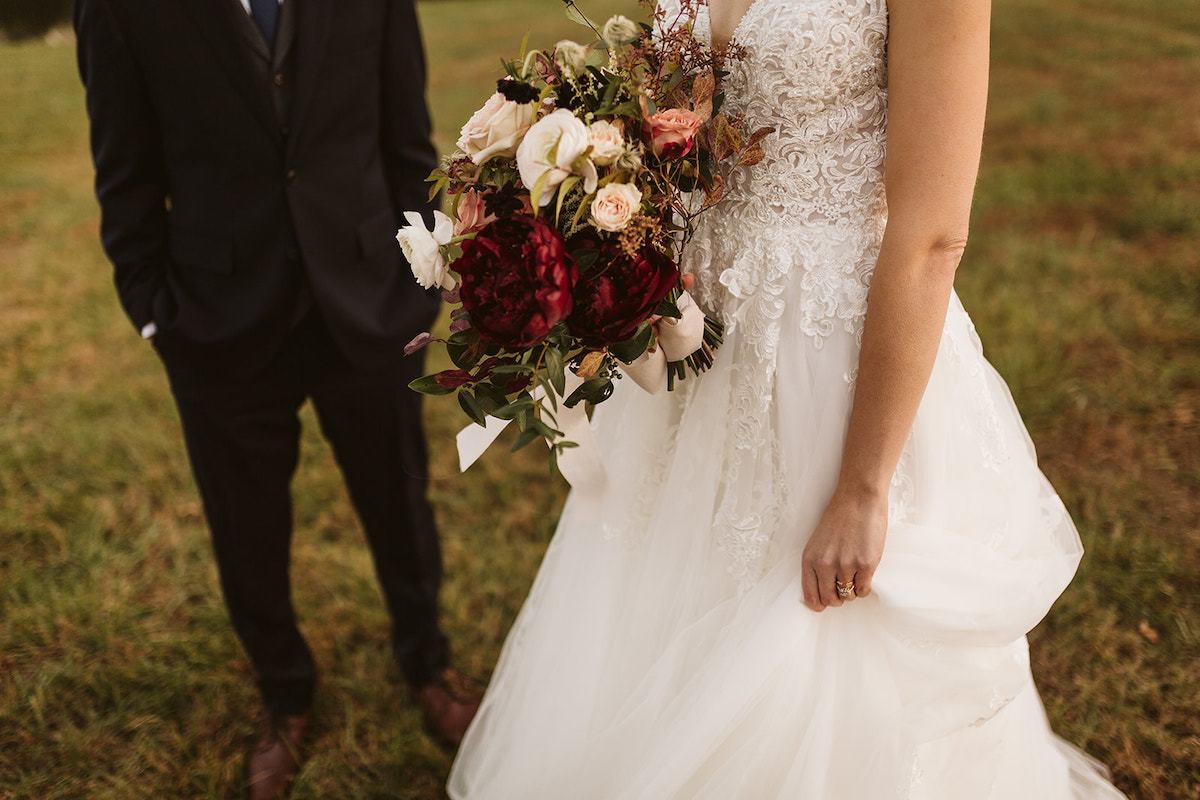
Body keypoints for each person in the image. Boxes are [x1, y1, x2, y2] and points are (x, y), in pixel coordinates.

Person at [447, 0, 1128, 797]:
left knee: (817, 649)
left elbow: (933, 234)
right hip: (697, 338)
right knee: (665, 605)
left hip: (832, 351)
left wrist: (864, 485)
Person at [73, 0, 478, 797]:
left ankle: (428, 664)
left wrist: (418, 277)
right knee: (245, 523)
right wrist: (157, 317)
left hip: (366, 299)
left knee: (399, 497)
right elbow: (125, 177)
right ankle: (284, 693)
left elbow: (405, 139)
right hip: (217, 320)